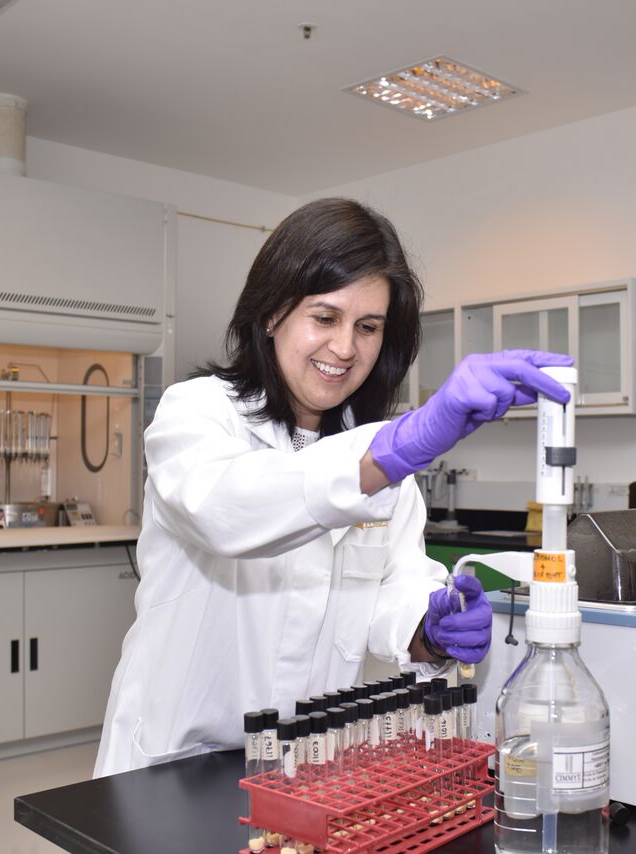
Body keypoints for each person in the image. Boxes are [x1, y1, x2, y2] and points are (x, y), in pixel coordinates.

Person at [94, 198, 571, 775]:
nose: (345, 349)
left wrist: (430, 630)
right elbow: (226, 510)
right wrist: (395, 448)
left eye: (367, 327)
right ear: (271, 314)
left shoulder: (376, 460)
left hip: (311, 767)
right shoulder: (197, 414)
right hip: (177, 764)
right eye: (325, 318)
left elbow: (391, 595)